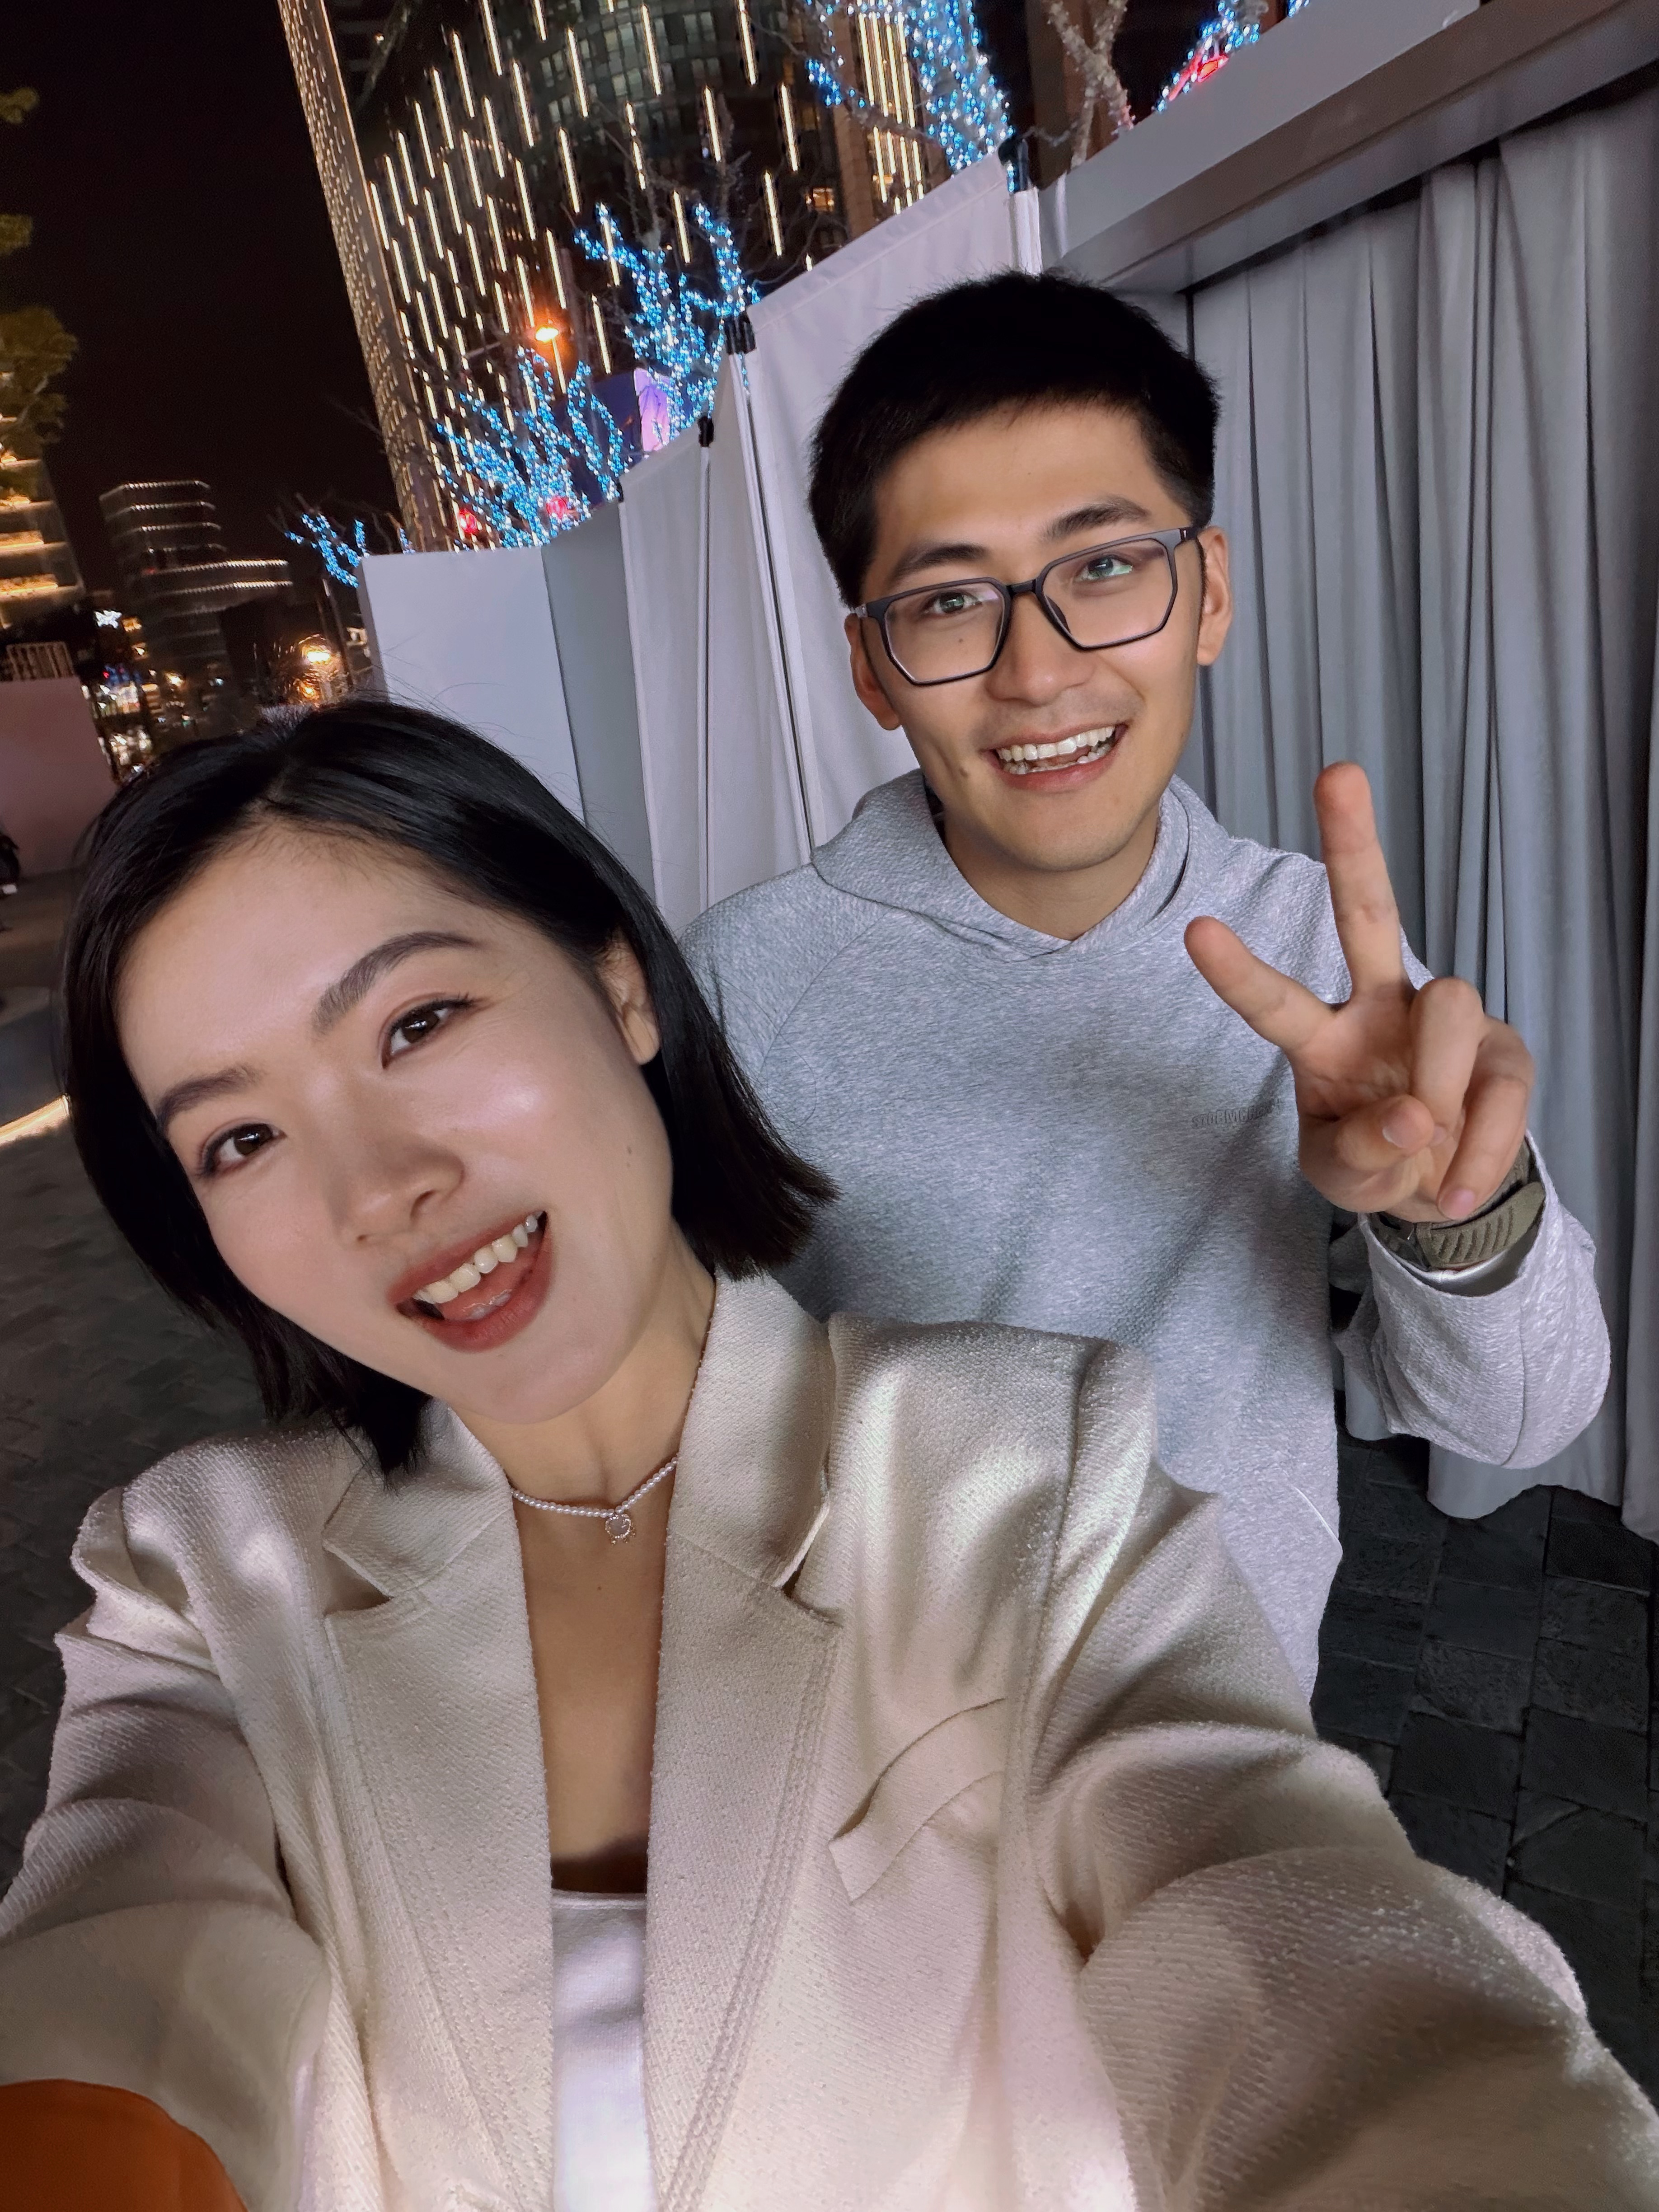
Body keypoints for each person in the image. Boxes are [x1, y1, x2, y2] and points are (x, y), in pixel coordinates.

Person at [0, 703, 1651, 2211]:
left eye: (418, 1021)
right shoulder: (204, 1577)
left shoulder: (1027, 1482)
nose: (378, 1187)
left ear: (621, 986)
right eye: (241, 1136)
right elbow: (128, 1949)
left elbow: (1274, 1918)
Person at [683, 271, 1609, 1690]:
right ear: (872, 667)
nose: (1038, 672)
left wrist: (1456, 1219)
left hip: (1234, 1735)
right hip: (889, 1735)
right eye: (949, 602)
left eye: (1105, 569)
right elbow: (688, 1434)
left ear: (1207, 595)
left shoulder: (1314, 955)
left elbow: (1522, 1418)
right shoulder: (744, 982)